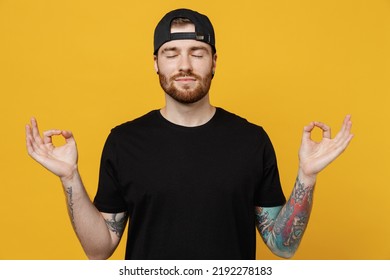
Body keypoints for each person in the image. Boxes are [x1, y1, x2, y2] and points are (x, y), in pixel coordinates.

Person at [25, 8, 353, 260]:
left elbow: (282, 247)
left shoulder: (251, 140)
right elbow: (99, 249)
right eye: (172, 53)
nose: (185, 64)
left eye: (197, 53)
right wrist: (69, 177)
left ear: (214, 62)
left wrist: (306, 178)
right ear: (156, 63)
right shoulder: (124, 142)